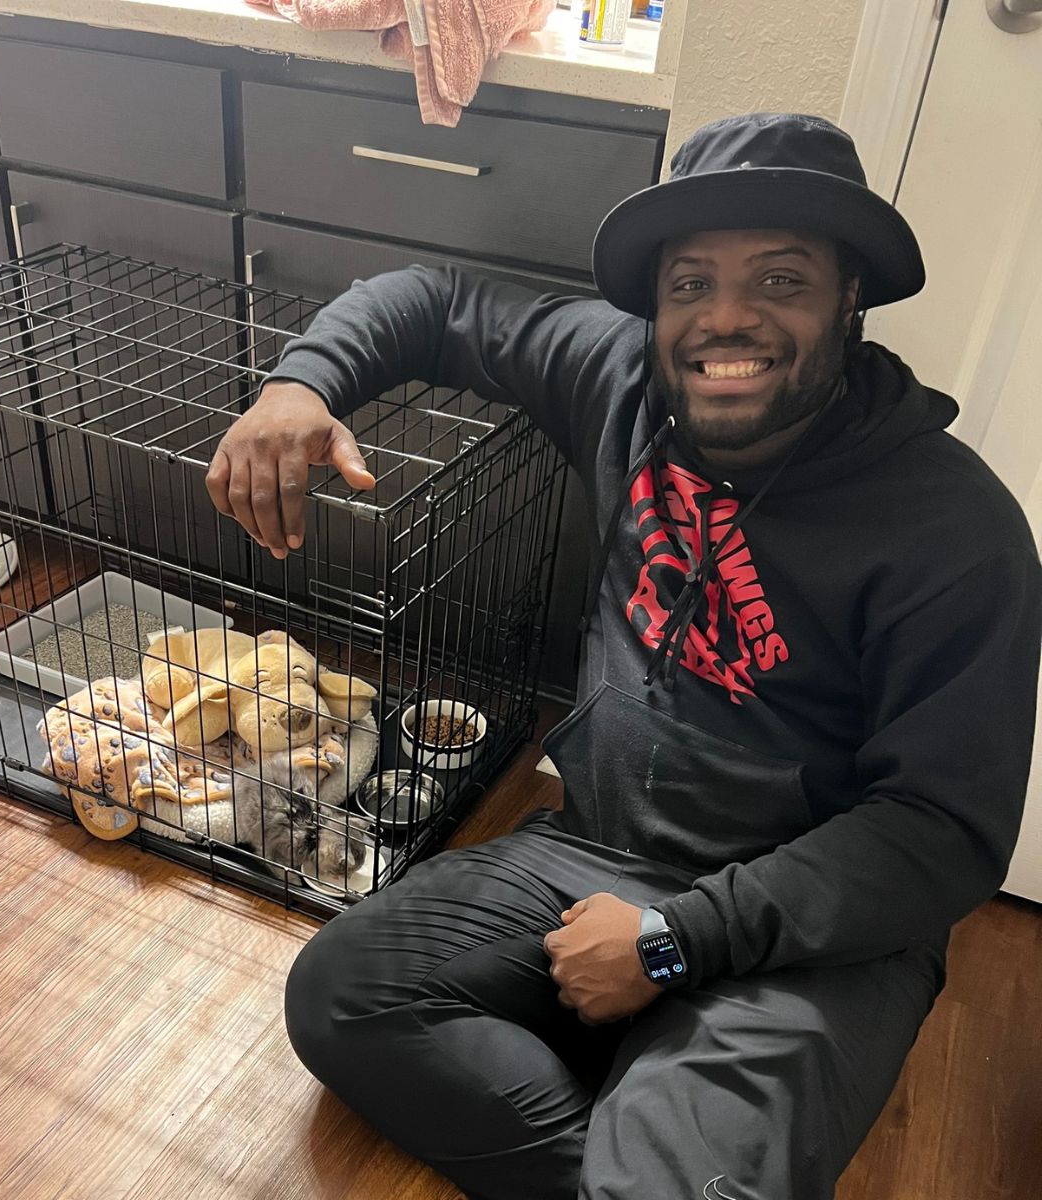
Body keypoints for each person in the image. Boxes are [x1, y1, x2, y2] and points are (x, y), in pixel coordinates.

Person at [206, 113, 1042, 1200]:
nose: (725, 318)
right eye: (690, 284)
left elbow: (940, 837)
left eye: (780, 280)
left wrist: (672, 943)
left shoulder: (957, 532)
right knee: (341, 995)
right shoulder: (621, 379)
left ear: (851, 300)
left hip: (818, 930)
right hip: (601, 854)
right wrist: (299, 384)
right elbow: (436, 299)